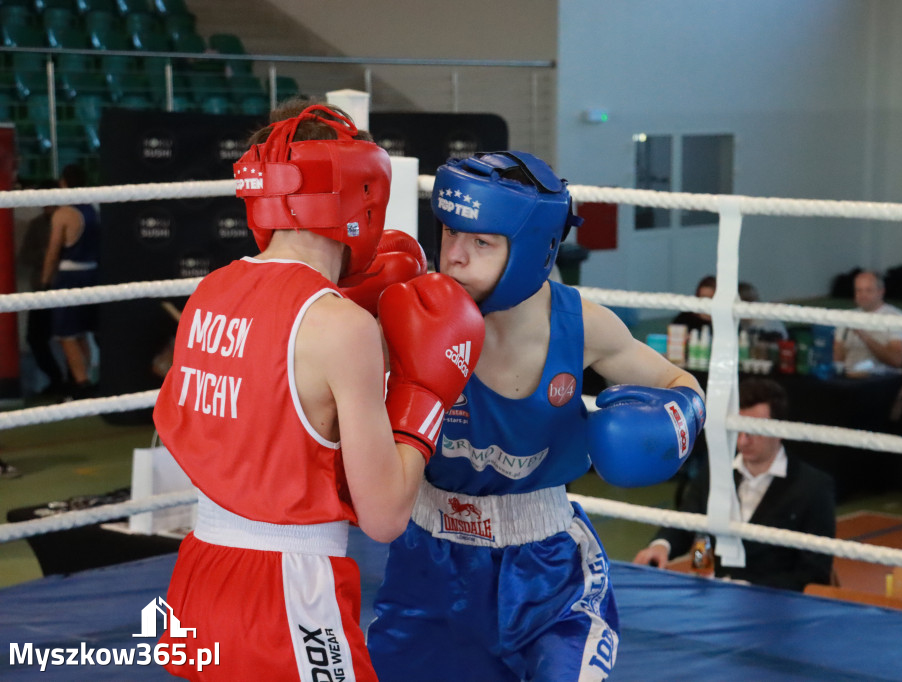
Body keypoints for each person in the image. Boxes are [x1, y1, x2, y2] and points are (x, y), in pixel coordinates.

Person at [152, 102, 484, 681]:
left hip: (198, 576)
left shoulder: (210, 291)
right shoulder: (340, 326)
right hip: (289, 588)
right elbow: (383, 518)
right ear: (364, 191)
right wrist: (424, 395)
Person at [367, 151, 706, 681]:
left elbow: (678, 384)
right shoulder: (403, 317)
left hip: (547, 569)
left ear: (530, 252)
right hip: (428, 561)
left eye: (481, 242)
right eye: (450, 233)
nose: (454, 256)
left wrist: (672, 421)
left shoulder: (583, 326)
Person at [633, 377, 835, 592]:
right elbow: (689, 519)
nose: (743, 440)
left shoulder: (813, 487)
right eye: (738, 427)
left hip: (773, 610)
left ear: (781, 429)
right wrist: (661, 546)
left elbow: (815, 573)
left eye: (754, 430)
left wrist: (750, 589)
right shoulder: (715, 469)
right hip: (710, 598)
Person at [41, 164, 99, 400]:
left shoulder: (63, 213)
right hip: (93, 275)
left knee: (67, 335)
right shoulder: (94, 208)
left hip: (70, 277)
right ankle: (88, 380)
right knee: (82, 332)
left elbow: (53, 252)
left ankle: (81, 382)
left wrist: (44, 283)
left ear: (63, 183)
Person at [17, 180, 65, 398]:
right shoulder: (37, 224)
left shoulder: (69, 218)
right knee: (35, 337)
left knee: (72, 336)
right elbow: (24, 256)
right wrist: (46, 253)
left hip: (65, 288)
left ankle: (77, 383)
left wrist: (57, 253)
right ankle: (57, 380)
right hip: (42, 288)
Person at [833, 270, 902, 375]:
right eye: (858, 290)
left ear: (881, 291)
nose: (862, 295)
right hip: (849, 376)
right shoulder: (848, 316)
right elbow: (838, 359)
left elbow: (896, 360)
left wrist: (864, 336)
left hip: (880, 377)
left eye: (868, 290)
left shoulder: (896, 317)